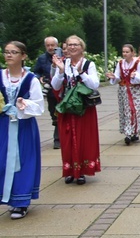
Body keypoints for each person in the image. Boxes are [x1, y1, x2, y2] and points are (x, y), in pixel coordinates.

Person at [50, 35, 101, 185]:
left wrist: (81, 73)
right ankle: (70, 170)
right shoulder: (63, 64)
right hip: (67, 107)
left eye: (76, 45)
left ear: (82, 48)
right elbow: (55, 86)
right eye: (69, 45)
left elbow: (94, 85)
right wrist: (59, 72)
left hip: (83, 108)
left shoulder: (88, 64)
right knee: (67, 139)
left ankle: (81, 172)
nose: (72, 47)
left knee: (83, 138)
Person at [1, 41, 43, 219]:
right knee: (2, 161)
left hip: (23, 126)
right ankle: (7, 196)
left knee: (23, 161)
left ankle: (21, 201)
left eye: (14, 52)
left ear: (23, 56)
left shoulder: (30, 79)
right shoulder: (1, 76)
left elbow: (39, 105)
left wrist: (24, 104)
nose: (9, 55)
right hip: (3, 125)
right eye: (6, 52)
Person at [106, 44, 140, 145]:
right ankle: (128, 133)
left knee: (135, 111)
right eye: (123, 52)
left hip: (135, 91)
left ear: (133, 53)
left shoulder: (138, 64)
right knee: (126, 111)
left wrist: (134, 76)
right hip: (123, 90)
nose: (125, 54)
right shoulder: (120, 63)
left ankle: (135, 131)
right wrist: (113, 77)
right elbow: (118, 76)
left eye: (127, 52)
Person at [33, 36, 61, 148]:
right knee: (53, 114)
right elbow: (36, 72)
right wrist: (39, 78)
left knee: (61, 114)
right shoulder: (42, 59)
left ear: (56, 45)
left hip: (62, 90)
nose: (50, 47)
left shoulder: (62, 56)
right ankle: (58, 134)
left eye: (52, 45)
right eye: (48, 45)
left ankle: (57, 139)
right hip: (50, 91)